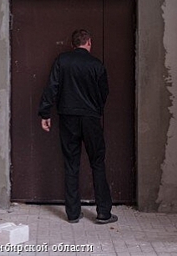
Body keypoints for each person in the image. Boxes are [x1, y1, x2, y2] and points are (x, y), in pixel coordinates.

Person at [38, 29, 118, 224]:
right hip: (90, 118)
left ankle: (73, 214)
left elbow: (52, 87)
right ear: (89, 42)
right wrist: (95, 109)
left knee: (71, 163)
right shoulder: (96, 64)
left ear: (73, 44)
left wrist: (45, 113)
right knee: (97, 162)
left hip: (68, 118)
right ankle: (103, 213)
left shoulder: (62, 61)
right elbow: (104, 93)